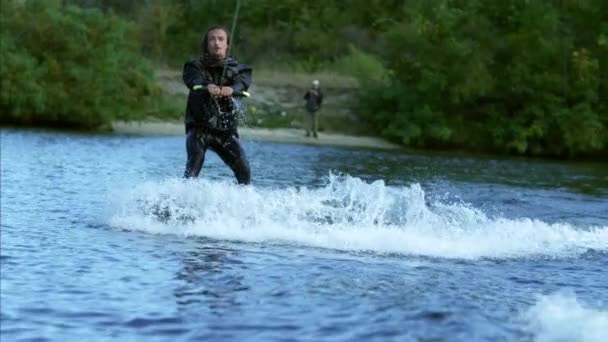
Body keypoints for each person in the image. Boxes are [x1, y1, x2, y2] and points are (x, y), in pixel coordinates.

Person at [182, 25, 252, 184]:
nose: (216, 43)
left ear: (227, 44)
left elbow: (243, 83)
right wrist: (207, 87)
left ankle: (241, 204)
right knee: (192, 170)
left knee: (245, 173)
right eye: (212, 39)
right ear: (206, 44)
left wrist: (232, 89)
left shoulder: (241, 70)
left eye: (221, 39)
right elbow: (193, 81)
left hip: (225, 133)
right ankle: (180, 203)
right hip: (199, 129)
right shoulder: (194, 66)